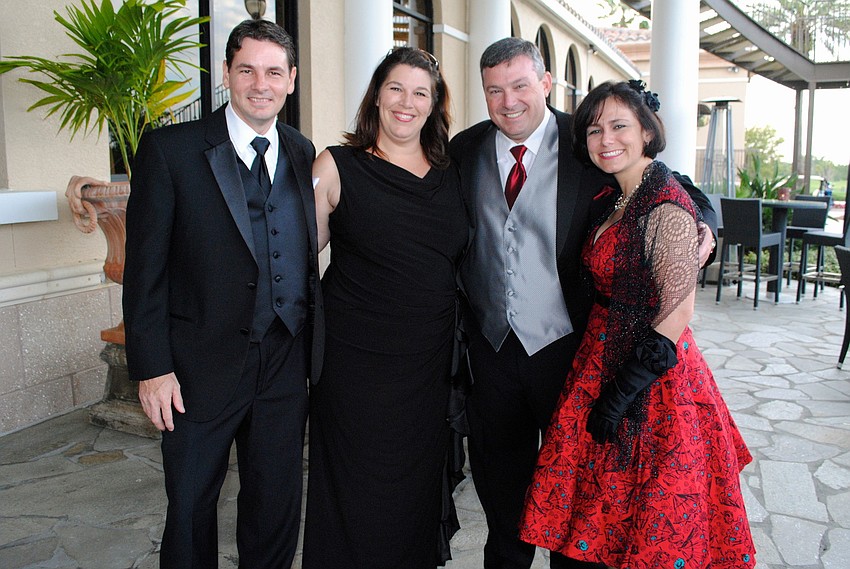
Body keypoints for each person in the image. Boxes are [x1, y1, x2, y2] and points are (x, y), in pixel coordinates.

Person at [449, 38, 718, 569]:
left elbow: (670, 185)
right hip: (491, 352)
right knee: (504, 501)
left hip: (572, 352)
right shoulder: (464, 149)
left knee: (578, 506)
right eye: (494, 90)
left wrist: (704, 228)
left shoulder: (590, 137)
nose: (509, 101)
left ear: (545, 84)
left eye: (521, 85)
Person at [519, 80, 756, 568]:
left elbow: (678, 312)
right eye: (594, 129)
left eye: (620, 125)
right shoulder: (617, 197)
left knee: (648, 520)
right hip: (597, 358)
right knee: (594, 517)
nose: (606, 138)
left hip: (651, 383)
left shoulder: (665, 205)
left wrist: (622, 392)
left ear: (647, 132)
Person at [123, 20, 323, 569]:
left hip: (284, 363)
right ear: (227, 75)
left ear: (291, 79)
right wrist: (152, 368)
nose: (261, 83)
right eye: (247, 70)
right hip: (195, 370)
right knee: (189, 508)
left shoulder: (304, 153)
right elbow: (145, 272)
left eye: (274, 72)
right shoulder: (171, 150)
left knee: (276, 506)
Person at [302, 47, 467, 569]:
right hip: (354, 364)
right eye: (396, 88)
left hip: (428, 365)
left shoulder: (454, 169)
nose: (406, 102)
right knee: (353, 484)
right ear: (377, 93)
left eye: (421, 92)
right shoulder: (336, 165)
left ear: (435, 103)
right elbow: (293, 256)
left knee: (413, 488)